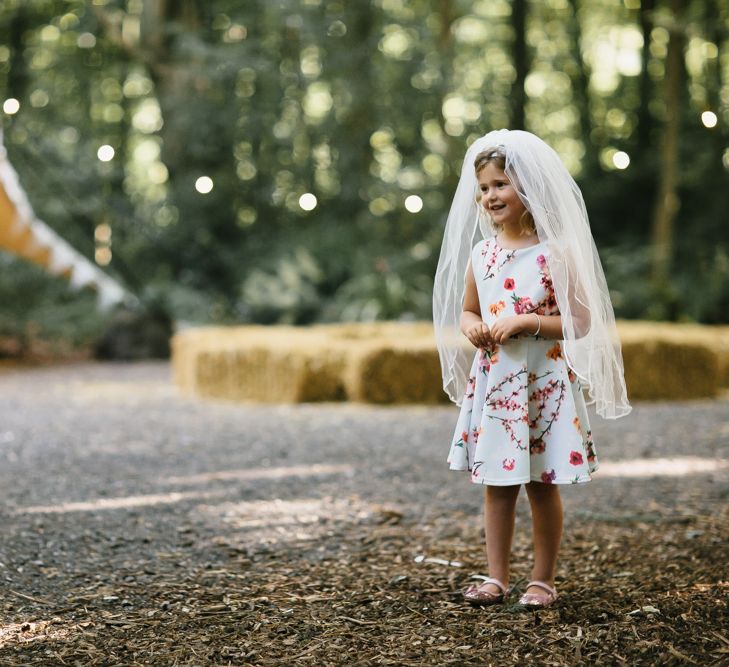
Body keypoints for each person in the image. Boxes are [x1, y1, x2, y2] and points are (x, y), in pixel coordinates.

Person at [432, 129, 631, 608]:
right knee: (497, 486)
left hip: (542, 384)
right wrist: (472, 328)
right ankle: (496, 578)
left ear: (529, 190)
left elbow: (581, 322)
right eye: (483, 188)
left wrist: (528, 320)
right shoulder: (482, 254)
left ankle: (542, 579)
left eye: (500, 184)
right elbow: (468, 310)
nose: (490, 196)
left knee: (542, 485)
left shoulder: (556, 253)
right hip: (498, 383)